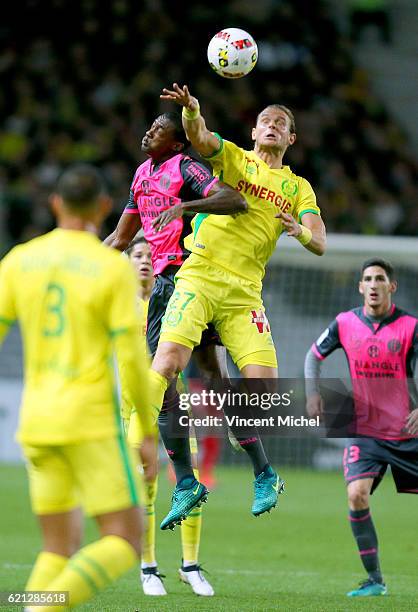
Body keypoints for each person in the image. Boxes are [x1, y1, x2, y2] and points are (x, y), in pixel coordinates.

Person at [149, 83, 326, 530]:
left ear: (291, 140)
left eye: (281, 124)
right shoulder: (236, 159)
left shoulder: (297, 186)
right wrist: (192, 110)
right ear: (253, 131)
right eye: (266, 121)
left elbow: (320, 241)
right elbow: (203, 138)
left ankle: (255, 457)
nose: (272, 127)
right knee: (167, 364)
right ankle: (183, 478)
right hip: (201, 276)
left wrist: (298, 230)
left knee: (260, 397)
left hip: (245, 291)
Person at [0, 164, 157, 612]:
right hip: (89, 423)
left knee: (57, 546)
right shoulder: (111, 269)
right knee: (126, 538)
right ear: (105, 208)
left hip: (36, 424)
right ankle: (40, 608)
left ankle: (34, 605)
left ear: (55, 204)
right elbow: (131, 356)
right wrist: (146, 432)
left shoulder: (17, 261)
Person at [105, 112, 246, 592]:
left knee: (203, 372)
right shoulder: (142, 176)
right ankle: (149, 566)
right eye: (145, 126)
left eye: (157, 128)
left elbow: (232, 199)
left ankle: (188, 564)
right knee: (165, 417)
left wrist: (185, 207)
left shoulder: (187, 167)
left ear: (176, 138)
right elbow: (121, 238)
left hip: (192, 281)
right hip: (168, 295)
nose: (146, 132)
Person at [304, 258, 418, 598]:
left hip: (406, 431)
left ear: (391, 287)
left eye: (380, 279)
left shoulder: (411, 326)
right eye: (367, 279)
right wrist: (312, 394)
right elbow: (313, 356)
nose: (373, 284)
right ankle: (374, 580)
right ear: (360, 287)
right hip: (365, 431)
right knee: (355, 494)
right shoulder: (344, 323)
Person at [123, 235, 214, 597]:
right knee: (147, 481)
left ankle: (190, 566)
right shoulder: (115, 305)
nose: (145, 260)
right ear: (128, 262)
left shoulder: (177, 303)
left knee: (187, 479)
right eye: (138, 255)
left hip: (175, 402)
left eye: (151, 254)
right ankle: (148, 569)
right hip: (134, 408)